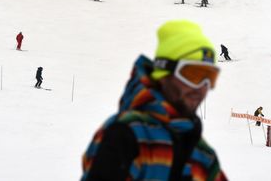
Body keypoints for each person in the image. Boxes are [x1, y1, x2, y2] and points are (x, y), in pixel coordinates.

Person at [81, 20, 227, 181]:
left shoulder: (202, 154)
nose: (201, 88)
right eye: (193, 75)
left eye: (209, 78)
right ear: (164, 73)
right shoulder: (127, 135)